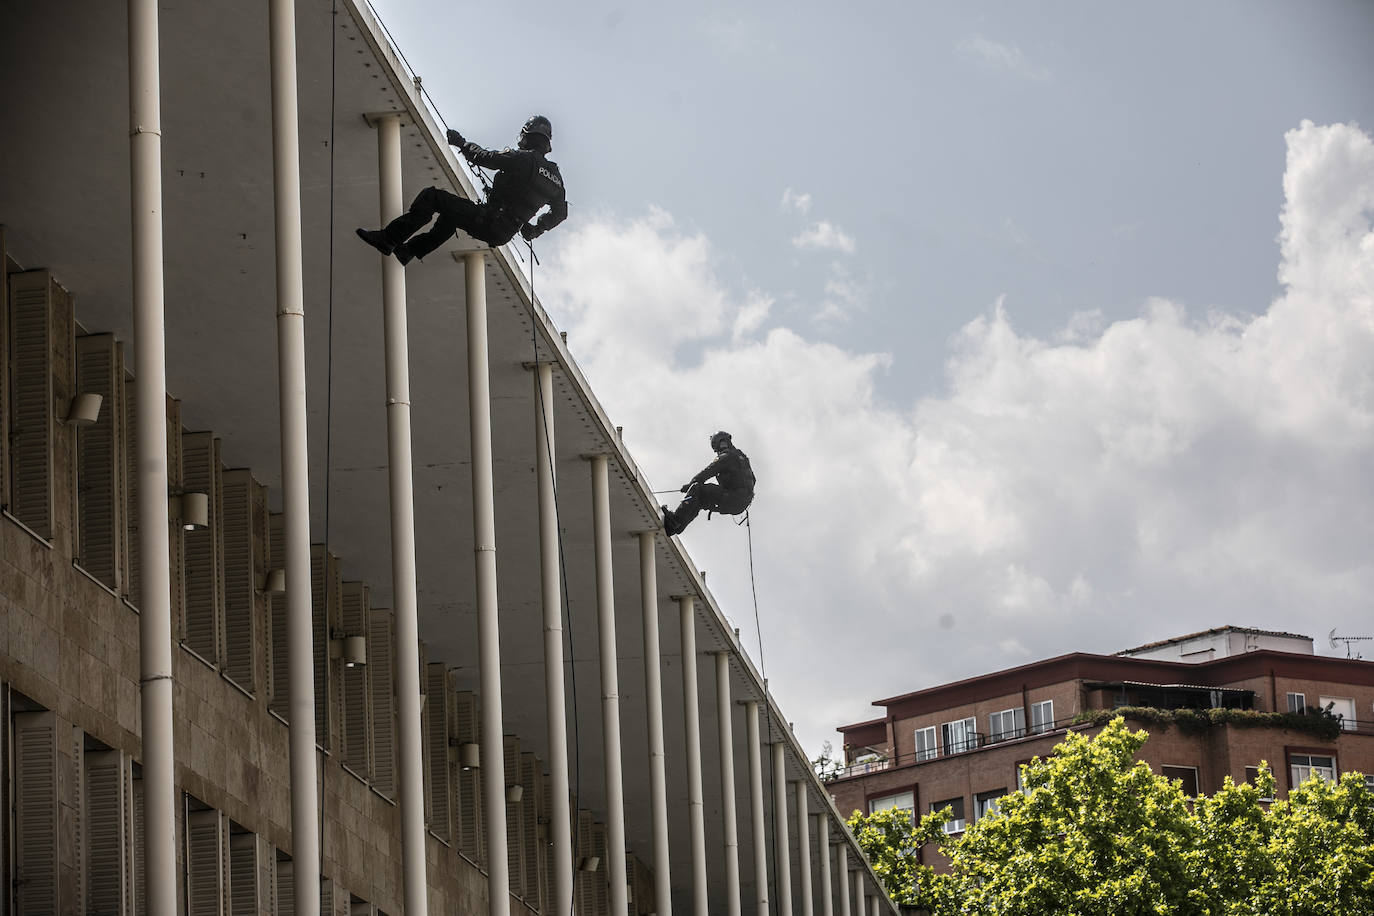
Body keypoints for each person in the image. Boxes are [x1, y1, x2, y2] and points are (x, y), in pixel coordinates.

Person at [356, 114, 568, 265]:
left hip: (488, 218)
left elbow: (486, 158)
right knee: (451, 216)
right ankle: (409, 251)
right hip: (503, 233)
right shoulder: (555, 179)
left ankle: (389, 239)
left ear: (526, 136)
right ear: (546, 143)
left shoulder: (523, 159)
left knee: (432, 197)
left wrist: (461, 143)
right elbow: (560, 213)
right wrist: (536, 229)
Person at [662, 431, 755, 536]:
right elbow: (752, 480)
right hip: (740, 503)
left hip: (734, 497)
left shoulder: (728, 456)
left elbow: (709, 471)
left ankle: (675, 521)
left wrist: (692, 484)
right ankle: (677, 526)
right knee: (700, 500)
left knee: (697, 489)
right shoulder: (741, 458)